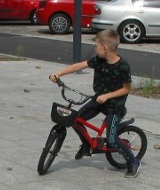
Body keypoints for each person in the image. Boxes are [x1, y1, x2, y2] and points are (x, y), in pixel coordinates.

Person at [49, 29, 140, 177]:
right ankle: (86, 145)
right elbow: (80, 65)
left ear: (105, 48)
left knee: (111, 138)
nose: (95, 49)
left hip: (114, 106)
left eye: (96, 46)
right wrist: (58, 73)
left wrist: (107, 96)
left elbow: (126, 89)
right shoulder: (99, 60)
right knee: (74, 119)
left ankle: (133, 161)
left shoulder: (123, 66)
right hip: (98, 101)